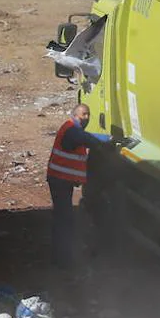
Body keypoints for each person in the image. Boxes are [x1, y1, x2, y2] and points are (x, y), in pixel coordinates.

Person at [46, 104, 111, 268]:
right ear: (74, 115)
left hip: (61, 180)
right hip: (60, 180)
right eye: (83, 115)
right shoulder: (71, 130)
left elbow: (86, 136)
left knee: (63, 217)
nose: (86, 118)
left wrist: (106, 138)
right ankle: (62, 259)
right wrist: (106, 143)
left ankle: (61, 256)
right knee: (64, 219)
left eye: (88, 115)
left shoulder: (73, 130)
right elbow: (87, 139)